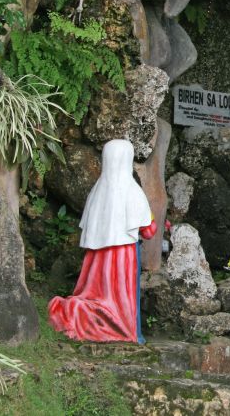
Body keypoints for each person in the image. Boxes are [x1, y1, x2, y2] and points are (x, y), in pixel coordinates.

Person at [48, 139, 156, 344]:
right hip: (123, 257)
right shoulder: (133, 192)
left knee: (96, 291)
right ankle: (124, 328)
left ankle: (85, 313)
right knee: (119, 296)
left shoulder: (96, 193)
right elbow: (149, 230)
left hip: (97, 259)